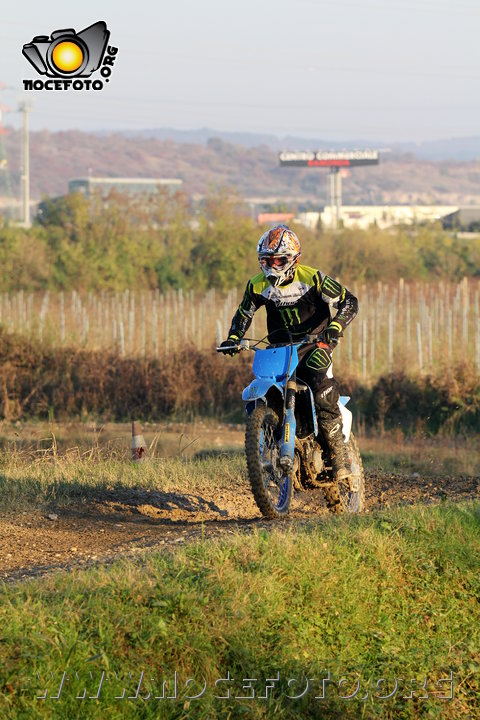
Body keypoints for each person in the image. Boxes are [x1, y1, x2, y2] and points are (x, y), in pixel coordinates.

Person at [219, 224, 358, 481]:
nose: (273, 266)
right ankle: (268, 447)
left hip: (315, 345)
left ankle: (339, 458)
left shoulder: (312, 278)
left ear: (294, 259)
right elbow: (244, 313)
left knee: (321, 387)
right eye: (267, 261)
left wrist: (335, 328)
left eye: (279, 260)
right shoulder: (257, 285)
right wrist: (234, 338)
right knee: (266, 389)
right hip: (279, 349)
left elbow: (349, 301)